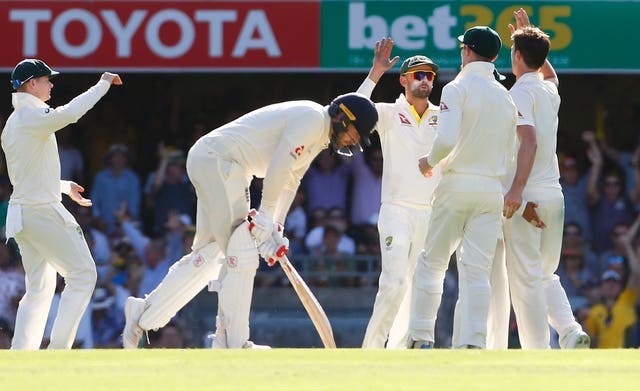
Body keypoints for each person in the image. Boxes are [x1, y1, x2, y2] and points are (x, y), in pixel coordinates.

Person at [121, 92, 378, 349]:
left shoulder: (320, 135)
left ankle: (145, 314)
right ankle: (233, 342)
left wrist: (276, 225)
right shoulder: (312, 119)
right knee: (241, 247)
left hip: (218, 162)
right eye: (355, 133)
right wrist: (265, 214)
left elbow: (290, 181)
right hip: (221, 160)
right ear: (343, 117)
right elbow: (278, 166)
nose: (353, 141)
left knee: (212, 256)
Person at [1, 58, 122, 350]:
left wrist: (65, 187)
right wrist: (102, 84)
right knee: (83, 274)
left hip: (23, 214)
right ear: (32, 84)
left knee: (40, 289)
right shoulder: (33, 115)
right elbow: (69, 114)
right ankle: (58, 352)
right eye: (47, 80)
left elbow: (28, 179)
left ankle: (22, 355)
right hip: (41, 211)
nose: (51, 84)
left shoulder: (13, 123)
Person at [409, 25, 517, 349]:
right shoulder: (506, 96)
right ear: (495, 56)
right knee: (477, 271)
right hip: (490, 190)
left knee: (433, 262)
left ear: (467, 51)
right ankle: (473, 343)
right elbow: (510, 150)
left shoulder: (456, 88)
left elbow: (445, 139)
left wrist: (428, 162)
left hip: (457, 183)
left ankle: (421, 338)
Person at [488, 9, 590, 350]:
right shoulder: (549, 90)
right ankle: (571, 330)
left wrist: (515, 191)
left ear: (516, 55)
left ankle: (538, 354)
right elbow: (552, 77)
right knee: (544, 275)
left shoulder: (519, 94)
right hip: (553, 195)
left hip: (527, 195)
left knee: (525, 281)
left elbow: (527, 141)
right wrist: (529, 34)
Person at [356, 38, 442, 349]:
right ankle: (372, 351)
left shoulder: (443, 116)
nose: (424, 80)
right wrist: (375, 73)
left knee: (417, 286)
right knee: (393, 283)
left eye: (429, 75)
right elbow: (351, 109)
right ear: (404, 79)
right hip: (396, 210)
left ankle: (400, 352)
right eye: (418, 75)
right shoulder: (389, 113)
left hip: (430, 213)